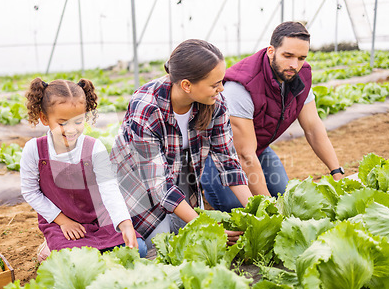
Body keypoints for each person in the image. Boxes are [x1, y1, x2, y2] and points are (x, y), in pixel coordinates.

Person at [109, 39, 253, 249]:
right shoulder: (147, 107)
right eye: (215, 84)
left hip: (180, 175)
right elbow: (159, 184)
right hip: (136, 184)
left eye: (222, 81)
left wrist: (256, 210)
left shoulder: (215, 102)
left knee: (187, 238)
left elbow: (228, 162)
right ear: (186, 85)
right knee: (159, 243)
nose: (221, 89)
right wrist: (205, 227)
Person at [202, 21, 344, 213]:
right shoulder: (241, 87)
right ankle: (204, 187)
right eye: (288, 56)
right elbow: (244, 156)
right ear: (271, 51)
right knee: (240, 207)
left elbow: (313, 128)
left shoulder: (300, 76)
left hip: (257, 148)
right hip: (217, 156)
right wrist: (270, 211)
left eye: (301, 58)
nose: (294, 65)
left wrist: (337, 172)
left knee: (285, 197)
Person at [20, 78, 147, 261]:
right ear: (44, 118)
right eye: (62, 123)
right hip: (61, 222)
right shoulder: (34, 150)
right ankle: (49, 245)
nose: (71, 130)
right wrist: (63, 221)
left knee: (139, 250)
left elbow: (109, 189)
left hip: (99, 219)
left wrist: (125, 223)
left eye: (78, 121)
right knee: (73, 262)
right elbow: (30, 191)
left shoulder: (94, 147)